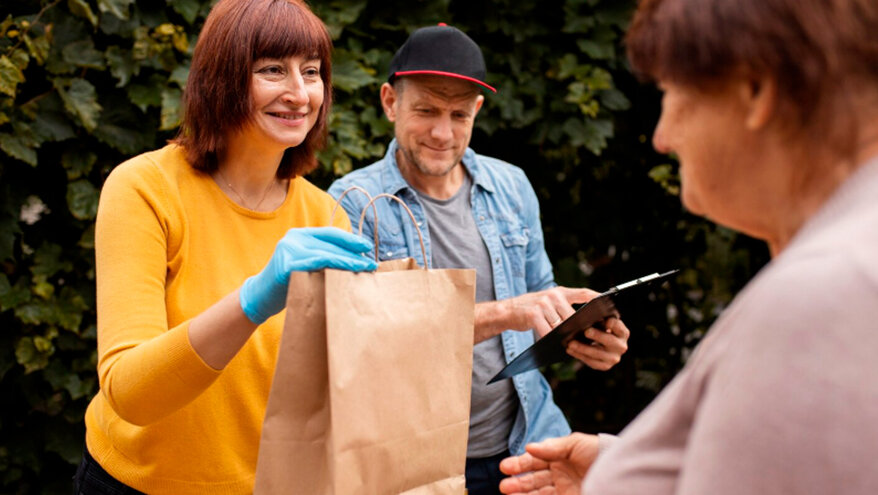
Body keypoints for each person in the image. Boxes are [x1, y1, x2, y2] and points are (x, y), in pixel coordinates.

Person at [498, 0, 878, 493]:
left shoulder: (820, 295)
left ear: (755, 89)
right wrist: (629, 467)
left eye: (672, 93)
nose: (662, 137)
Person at [72, 1, 377, 493]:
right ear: (223, 78)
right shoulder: (144, 189)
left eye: (313, 71)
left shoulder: (325, 216)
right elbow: (129, 393)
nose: (300, 93)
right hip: (136, 485)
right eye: (273, 70)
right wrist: (252, 300)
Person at [328, 24, 630, 495]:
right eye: (426, 110)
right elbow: (371, 343)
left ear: (477, 112)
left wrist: (585, 335)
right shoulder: (352, 202)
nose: (442, 132)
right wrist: (511, 312)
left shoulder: (511, 187)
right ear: (390, 102)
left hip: (528, 447)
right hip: (415, 466)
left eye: (459, 115)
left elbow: (542, 300)